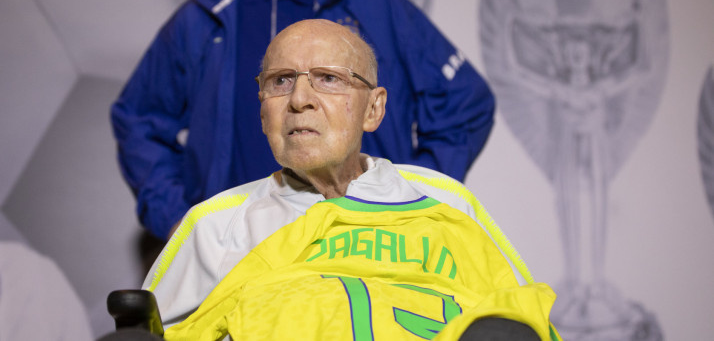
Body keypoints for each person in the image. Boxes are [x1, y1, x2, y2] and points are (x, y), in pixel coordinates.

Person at [110, 0, 496, 241]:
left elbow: (466, 103)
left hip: (359, 245)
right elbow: (138, 119)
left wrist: (412, 193)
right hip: (240, 254)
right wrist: (179, 220)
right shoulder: (206, 19)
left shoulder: (378, 8)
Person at [142, 19, 560, 340]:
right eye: (280, 81)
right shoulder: (215, 227)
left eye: (329, 79)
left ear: (374, 110)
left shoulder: (446, 204)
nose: (300, 100)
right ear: (262, 111)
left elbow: (519, 326)